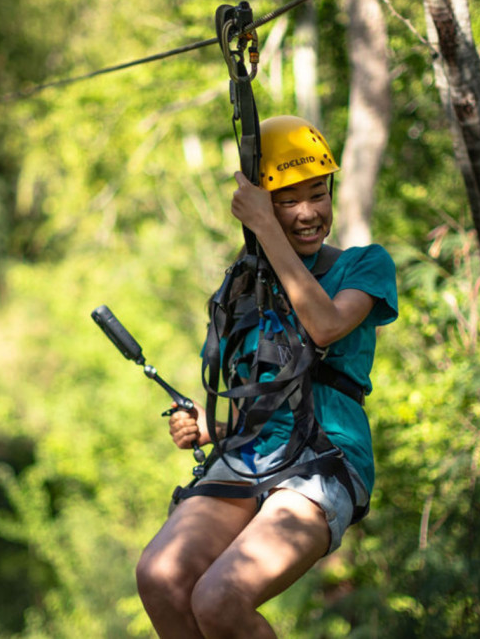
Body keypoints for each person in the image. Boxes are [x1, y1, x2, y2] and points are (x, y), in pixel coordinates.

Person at [135, 115, 398, 638]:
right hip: (255, 453)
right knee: (161, 577)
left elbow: (324, 326)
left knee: (220, 599)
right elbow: (258, 407)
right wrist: (210, 428)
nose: (308, 212)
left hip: (325, 456)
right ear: (261, 205)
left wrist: (266, 228)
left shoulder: (364, 265)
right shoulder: (244, 290)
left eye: (318, 194)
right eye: (287, 200)